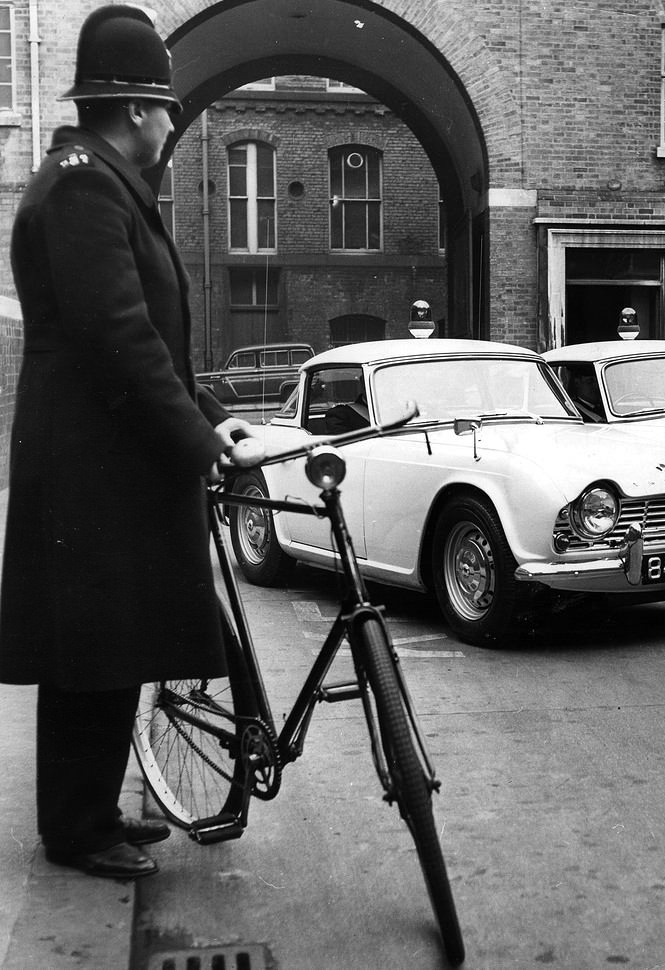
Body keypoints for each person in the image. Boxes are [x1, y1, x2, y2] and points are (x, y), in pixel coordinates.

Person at [0, 5, 259, 880]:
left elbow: (149, 336)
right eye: (167, 107)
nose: (174, 121)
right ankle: (76, 831)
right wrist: (197, 443)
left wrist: (208, 411)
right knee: (88, 650)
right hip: (92, 470)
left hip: (102, 464)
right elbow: (119, 337)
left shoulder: (93, 179)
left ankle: (93, 810)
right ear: (138, 109)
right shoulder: (82, 186)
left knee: (107, 645)